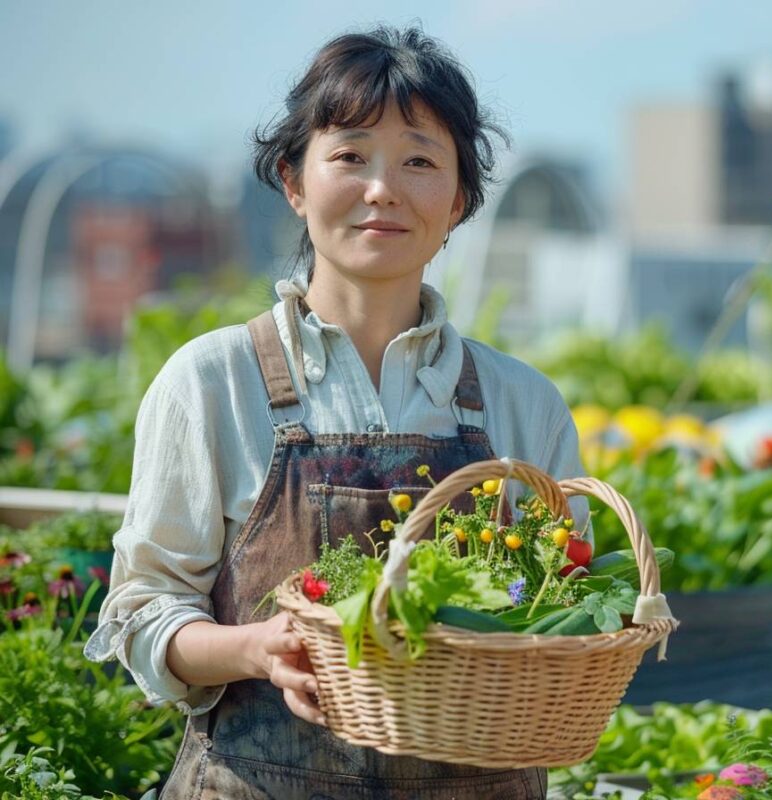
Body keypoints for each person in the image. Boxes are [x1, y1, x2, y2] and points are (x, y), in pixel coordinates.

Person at [85, 25, 586, 799]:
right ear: (293, 179)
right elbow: (142, 609)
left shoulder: (523, 403)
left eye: (420, 160)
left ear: (458, 201)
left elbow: (570, 615)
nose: (382, 189)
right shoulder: (212, 381)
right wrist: (255, 648)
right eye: (350, 155)